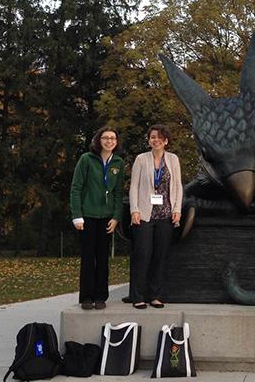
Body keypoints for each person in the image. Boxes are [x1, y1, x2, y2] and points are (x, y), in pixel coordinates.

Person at [70, 126, 125, 310]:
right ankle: (86, 296)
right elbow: (76, 188)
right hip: (87, 216)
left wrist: (116, 217)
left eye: (113, 138)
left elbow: (118, 192)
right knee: (88, 258)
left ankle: (101, 296)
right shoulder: (86, 160)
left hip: (107, 218)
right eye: (105, 138)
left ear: (116, 142)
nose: (109, 141)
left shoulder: (118, 163)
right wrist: (77, 216)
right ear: (98, 140)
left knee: (103, 258)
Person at [129, 124, 182, 309]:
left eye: (160, 137)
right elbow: (133, 186)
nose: (156, 140)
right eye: (152, 137)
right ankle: (138, 296)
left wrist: (177, 209)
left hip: (166, 215)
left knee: (160, 256)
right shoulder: (141, 159)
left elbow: (178, 186)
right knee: (143, 255)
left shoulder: (173, 159)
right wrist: (134, 209)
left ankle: (156, 296)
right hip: (144, 214)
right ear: (149, 140)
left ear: (166, 141)